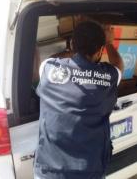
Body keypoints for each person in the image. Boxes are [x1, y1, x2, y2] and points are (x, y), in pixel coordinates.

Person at [33, 21, 124, 179]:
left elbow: (51, 59)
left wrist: (75, 53)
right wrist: (109, 42)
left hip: (49, 171)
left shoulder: (48, 69)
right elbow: (118, 64)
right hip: (89, 171)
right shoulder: (109, 77)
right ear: (100, 51)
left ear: (73, 45)